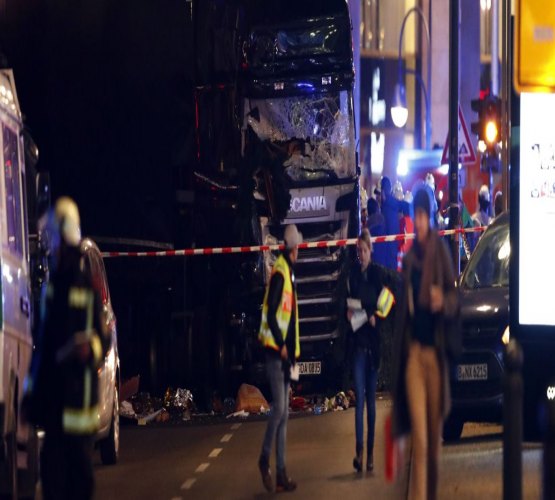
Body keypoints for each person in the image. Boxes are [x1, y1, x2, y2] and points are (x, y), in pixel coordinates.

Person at [23, 197, 109, 500]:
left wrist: (89, 348)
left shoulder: (82, 286)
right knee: (67, 484)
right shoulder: (54, 287)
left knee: (70, 484)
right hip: (62, 409)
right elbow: (44, 345)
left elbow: (102, 337)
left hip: (72, 409)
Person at [392, 188, 459, 500]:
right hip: (415, 357)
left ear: (429, 216)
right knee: (419, 439)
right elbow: (403, 313)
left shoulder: (440, 251)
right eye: (414, 215)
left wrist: (442, 301)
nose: (417, 221)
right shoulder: (408, 260)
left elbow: (456, 299)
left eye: (422, 215)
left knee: (432, 443)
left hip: (436, 356)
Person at [347, 229, 399, 473]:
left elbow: (386, 301)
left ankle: (370, 455)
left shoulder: (377, 274)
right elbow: (349, 311)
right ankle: (358, 451)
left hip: (374, 347)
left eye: (364, 250)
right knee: (359, 401)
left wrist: (370, 314)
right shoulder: (353, 276)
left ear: (370, 251)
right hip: (359, 345)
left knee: (370, 402)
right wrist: (366, 314)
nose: (361, 254)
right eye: (358, 251)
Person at [258, 224, 301, 493]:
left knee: (284, 414)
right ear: (295, 249)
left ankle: (282, 472)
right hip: (276, 351)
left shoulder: (286, 271)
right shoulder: (282, 274)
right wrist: (284, 347)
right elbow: (273, 313)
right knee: (281, 410)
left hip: (284, 353)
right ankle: (264, 458)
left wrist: (292, 354)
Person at [380, 177, 402, 270]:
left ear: (383, 190)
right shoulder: (394, 204)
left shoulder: (385, 207)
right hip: (395, 245)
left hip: (389, 247)